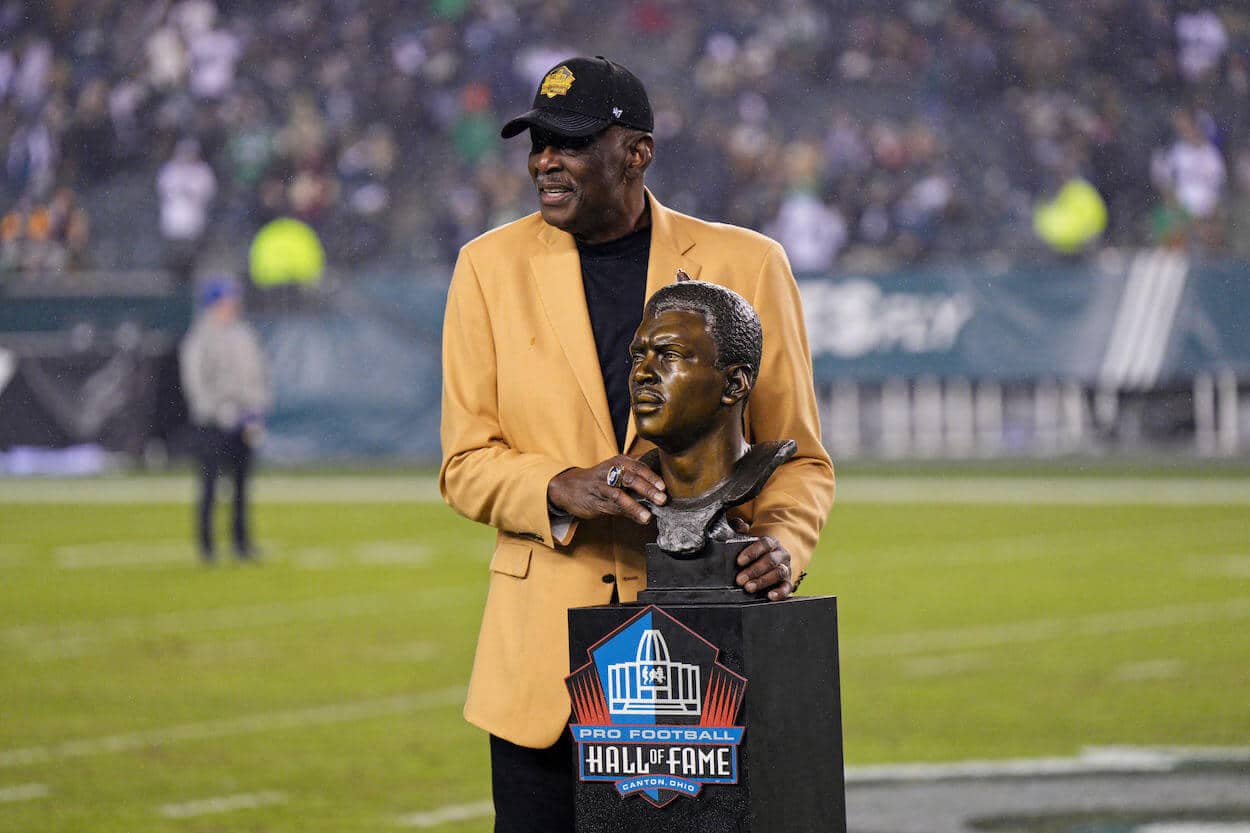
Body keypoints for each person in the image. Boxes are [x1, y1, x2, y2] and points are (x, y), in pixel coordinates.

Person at [438, 56, 834, 833]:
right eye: (538, 142)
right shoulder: (486, 267)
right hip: (543, 673)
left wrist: (786, 539)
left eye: (572, 142)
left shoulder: (747, 264)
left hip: (704, 655)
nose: (545, 160)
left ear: (637, 153)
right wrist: (558, 485)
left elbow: (799, 455)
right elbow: (463, 463)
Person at [179, 275, 271, 562]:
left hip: (244, 419)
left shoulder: (244, 334)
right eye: (228, 299)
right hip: (213, 422)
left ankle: (241, 542)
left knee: (242, 485)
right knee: (209, 485)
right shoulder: (200, 337)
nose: (233, 304)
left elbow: (258, 374)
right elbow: (195, 381)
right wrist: (216, 411)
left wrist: (256, 409)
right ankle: (206, 545)